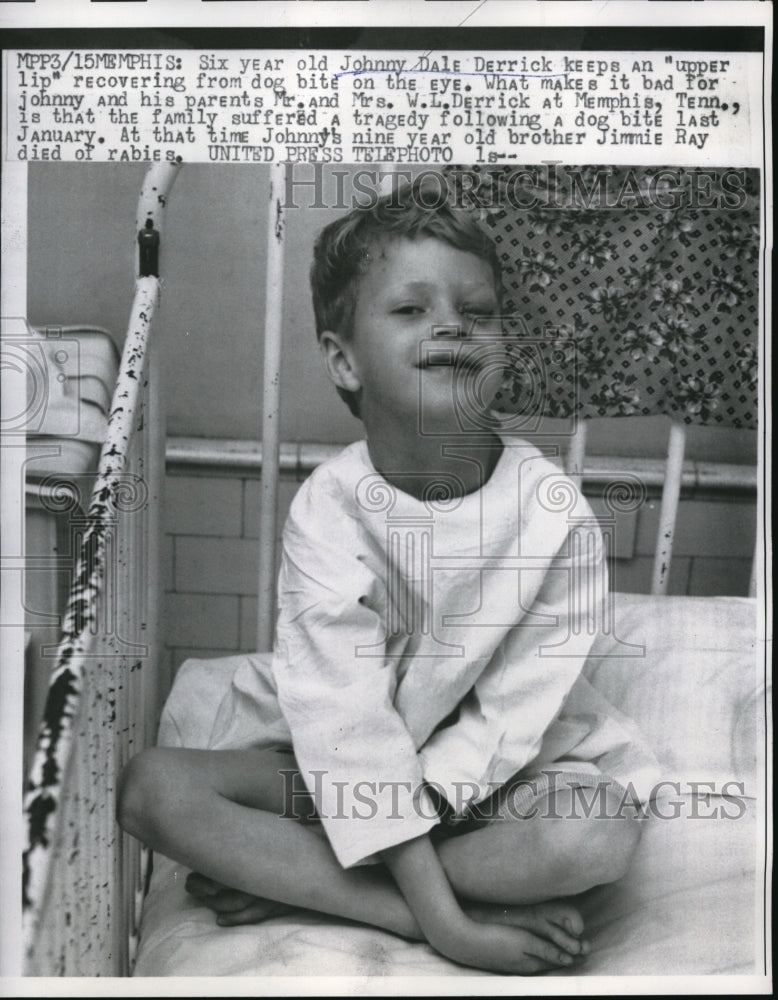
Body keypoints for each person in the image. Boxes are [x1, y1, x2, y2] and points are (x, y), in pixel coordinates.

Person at [118, 177, 659, 975]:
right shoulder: (329, 509)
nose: (450, 325)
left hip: (497, 783)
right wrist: (445, 925)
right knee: (152, 788)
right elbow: (346, 726)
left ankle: (300, 878)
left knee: (596, 833)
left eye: (476, 313)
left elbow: (504, 728)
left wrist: (366, 837)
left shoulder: (556, 514)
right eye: (411, 310)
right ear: (343, 359)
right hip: (341, 774)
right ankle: (384, 904)